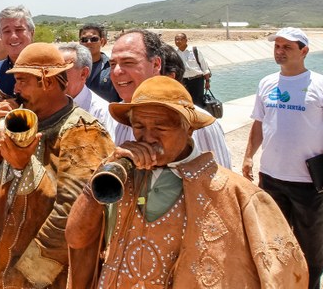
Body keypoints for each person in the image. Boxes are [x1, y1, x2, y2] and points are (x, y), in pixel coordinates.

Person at [65, 76, 308, 288]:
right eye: (139, 126)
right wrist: (105, 172)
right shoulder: (120, 177)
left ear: (189, 128)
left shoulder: (235, 193)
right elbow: (76, 238)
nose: (147, 137)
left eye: (160, 127)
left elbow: (284, 273)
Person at [0, 42, 115, 288]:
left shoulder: (85, 132)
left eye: (22, 81)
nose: (16, 88)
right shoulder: (27, 117)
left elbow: (72, 216)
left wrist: (28, 274)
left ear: (48, 82)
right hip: (13, 252)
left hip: (51, 274)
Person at [243, 27, 323, 288]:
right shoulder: (266, 83)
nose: (279, 51)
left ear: (304, 51)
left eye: (287, 47)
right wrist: (248, 157)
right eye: (277, 46)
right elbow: (259, 124)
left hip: (310, 182)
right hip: (271, 178)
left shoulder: (319, 85)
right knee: (270, 240)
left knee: (310, 246)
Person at [109, 29, 232, 168]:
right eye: (112, 64)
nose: (117, 71)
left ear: (156, 64)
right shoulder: (113, 119)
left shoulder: (198, 123)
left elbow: (223, 182)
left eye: (128, 62)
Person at [57, 42, 115, 138]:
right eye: (54, 70)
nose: (55, 76)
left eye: (62, 71)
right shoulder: (47, 105)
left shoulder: (102, 113)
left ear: (84, 73)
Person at [0, 5, 35, 98]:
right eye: (7, 31)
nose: (13, 36)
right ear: (1, 36)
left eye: (19, 30)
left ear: (32, 32)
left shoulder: (52, 70)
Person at [79, 23, 120, 103]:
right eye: (84, 40)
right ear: (80, 43)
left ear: (102, 41)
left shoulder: (113, 68)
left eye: (94, 39)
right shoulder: (72, 68)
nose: (89, 42)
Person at [174, 32, 211, 108]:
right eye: (176, 40)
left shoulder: (195, 50)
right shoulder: (175, 53)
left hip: (197, 80)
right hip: (183, 81)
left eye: (180, 39)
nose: (177, 41)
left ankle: (199, 119)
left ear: (186, 40)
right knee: (186, 103)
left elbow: (204, 66)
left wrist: (207, 81)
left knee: (198, 103)